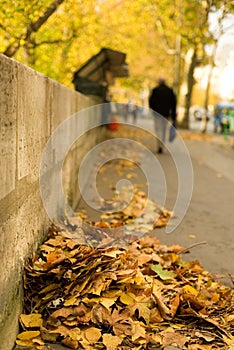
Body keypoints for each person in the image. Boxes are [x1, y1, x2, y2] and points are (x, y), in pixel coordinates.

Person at [149, 77, 177, 153]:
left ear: (159, 82)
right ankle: (162, 144)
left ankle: (159, 145)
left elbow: (151, 102)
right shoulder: (170, 91)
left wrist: (153, 110)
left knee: (158, 129)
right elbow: (174, 104)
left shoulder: (155, 90)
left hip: (157, 114)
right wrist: (173, 115)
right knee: (164, 129)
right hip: (166, 114)